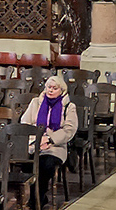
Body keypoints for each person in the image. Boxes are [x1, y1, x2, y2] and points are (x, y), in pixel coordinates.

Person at [16, 74, 79, 209]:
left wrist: (50, 139)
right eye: (48, 87)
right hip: (34, 143)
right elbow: (24, 123)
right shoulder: (35, 102)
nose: (50, 90)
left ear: (62, 90)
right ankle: (38, 198)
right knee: (26, 164)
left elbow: (69, 130)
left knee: (46, 166)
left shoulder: (68, 106)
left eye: (54, 88)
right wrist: (36, 140)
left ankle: (36, 199)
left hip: (55, 146)